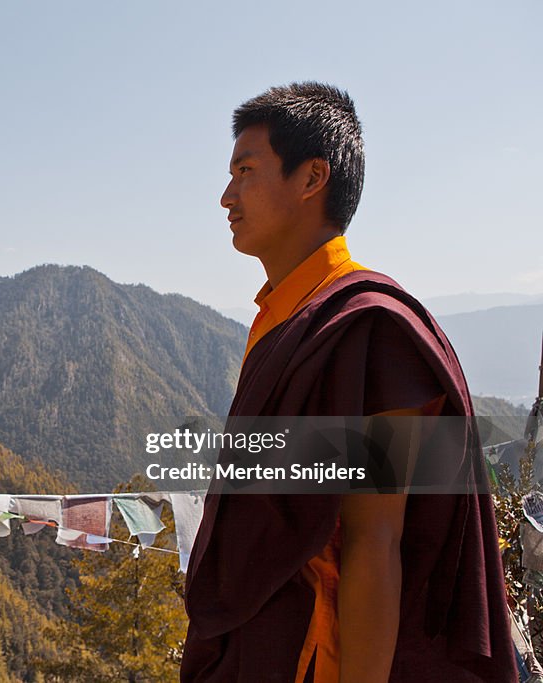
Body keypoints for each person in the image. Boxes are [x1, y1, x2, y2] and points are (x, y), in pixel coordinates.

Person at [181, 83, 516, 682]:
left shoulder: (371, 329)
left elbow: (375, 542)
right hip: (270, 648)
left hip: (329, 657)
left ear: (312, 178)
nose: (226, 196)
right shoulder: (285, 318)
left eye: (246, 171)